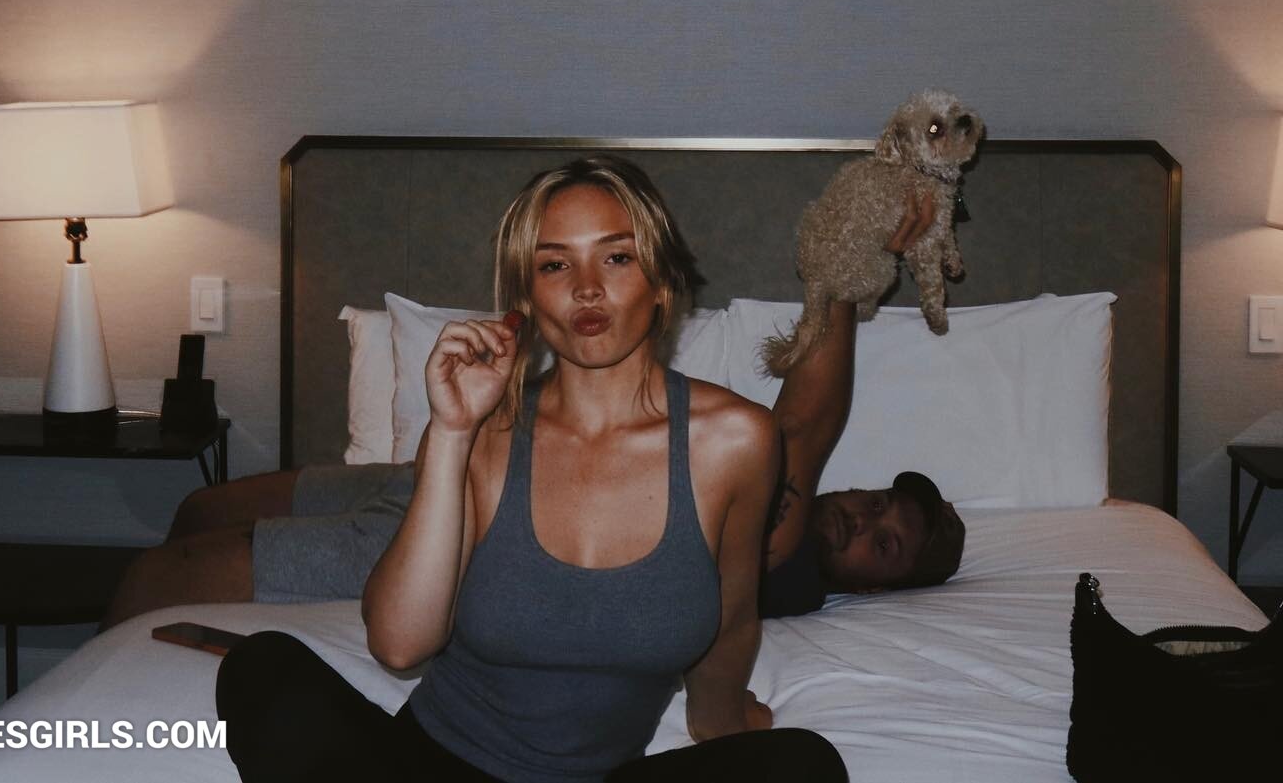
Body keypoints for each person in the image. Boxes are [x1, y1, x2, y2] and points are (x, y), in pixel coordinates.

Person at [213, 156, 849, 781]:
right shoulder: (485, 433)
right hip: (429, 764)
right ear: (527, 298)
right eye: (554, 264)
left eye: (617, 257)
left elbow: (731, 619)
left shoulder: (735, 440)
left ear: (661, 281)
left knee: (804, 764)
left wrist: (722, 725)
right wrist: (452, 432)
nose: (586, 287)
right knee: (262, 668)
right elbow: (399, 645)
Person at [103, 176, 964, 630]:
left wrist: (846, 268)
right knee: (200, 507)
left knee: (155, 576)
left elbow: (808, 417)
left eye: (885, 543)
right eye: (877, 502)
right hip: (437, 470)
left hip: (465, 528)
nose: (863, 520)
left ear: (874, 585)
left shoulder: (781, 551)